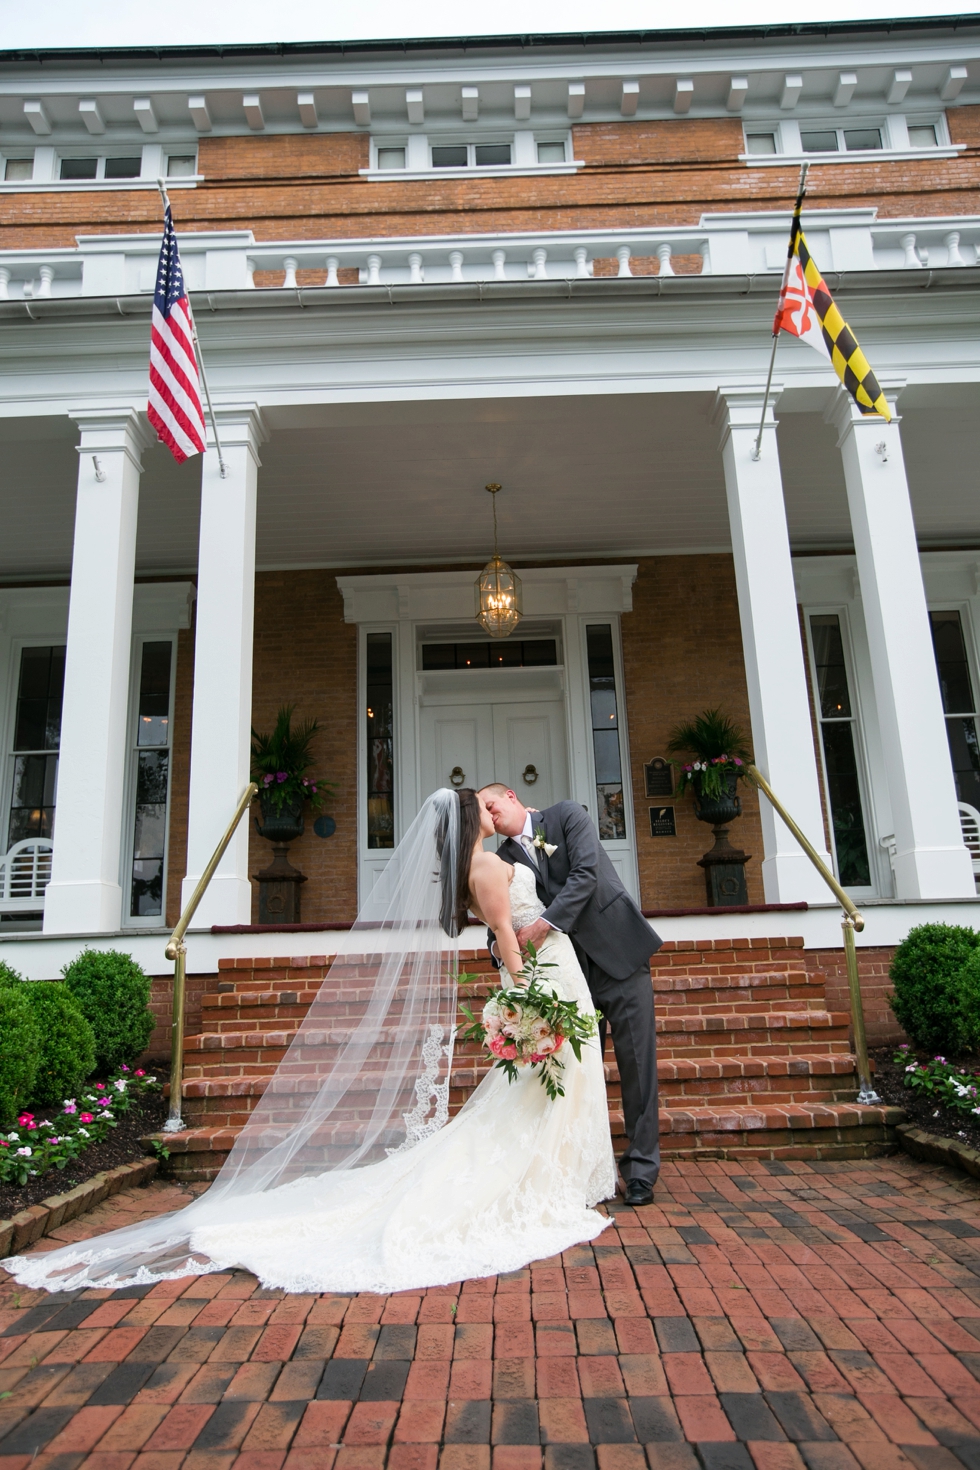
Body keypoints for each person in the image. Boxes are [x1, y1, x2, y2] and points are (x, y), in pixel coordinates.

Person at [2, 789, 616, 1296]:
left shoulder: (485, 860)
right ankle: (548, 1182)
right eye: (480, 802)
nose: (491, 803)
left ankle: (562, 1175)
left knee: (562, 1080)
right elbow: (507, 938)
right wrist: (529, 1002)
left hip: (557, 971)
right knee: (556, 1079)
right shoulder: (484, 866)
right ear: (466, 820)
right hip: (546, 980)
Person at [479, 784, 662, 1207]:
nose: (491, 815)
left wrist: (543, 925)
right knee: (579, 1073)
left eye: (492, 805)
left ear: (511, 796)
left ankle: (641, 1171)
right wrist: (499, 950)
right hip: (566, 977)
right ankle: (585, 1167)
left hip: (619, 952)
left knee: (638, 1065)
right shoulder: (500, 860)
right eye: (484, 814)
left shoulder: (566, 815)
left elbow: (585, 874)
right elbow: (500, 923)